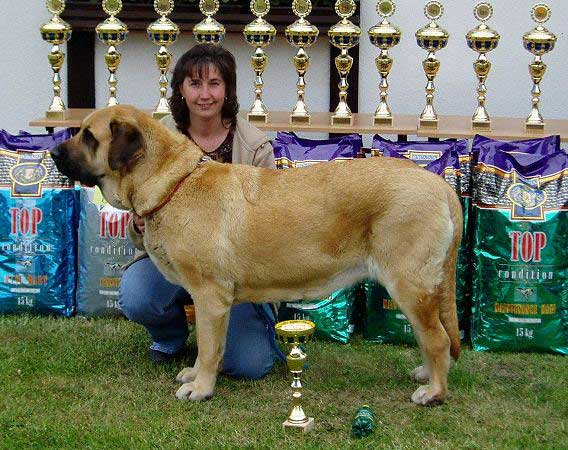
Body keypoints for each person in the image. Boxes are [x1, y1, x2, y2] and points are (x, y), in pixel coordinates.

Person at [119, 44, 283, 378]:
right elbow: (139, 230)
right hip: (172, 261)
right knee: (137, 296)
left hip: (235, 273)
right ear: (180, 88)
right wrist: (140, 222)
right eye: (195, 84)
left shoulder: (255, 147)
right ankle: (170, 338)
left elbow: (270, 222)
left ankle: (245, 332)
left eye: (214, 84)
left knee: (250, 366)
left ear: (228, 89)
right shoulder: (155, 140)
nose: (204, 94)